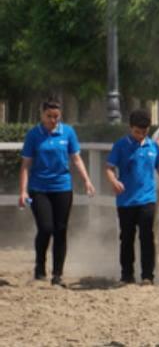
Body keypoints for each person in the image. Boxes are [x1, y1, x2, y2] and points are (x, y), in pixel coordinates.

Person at [105, 109, 159, 285]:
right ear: (131, 128)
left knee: (147, 237)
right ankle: (127, 275)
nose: (140, 135)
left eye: (144, 132)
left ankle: (147, 276)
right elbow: (109, 167)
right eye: (137, 131)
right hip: (126, 201)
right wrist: (113, 181)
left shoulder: (153, 147)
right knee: (127, 238)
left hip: (147, 200)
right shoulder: (121, 145)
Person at [18, 99, 96, 287]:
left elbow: (76, 159)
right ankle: (40, 267)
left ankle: (57, 274)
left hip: (62, 187)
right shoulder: (33, 135)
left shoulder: (68, 132)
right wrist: (23, 191)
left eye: (56, 117)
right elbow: (26, 165)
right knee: (46, 228)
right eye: (49, 116)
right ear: (42, 114)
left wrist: (87, 180)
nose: (53, 120)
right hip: (38, 189)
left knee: (61, 230)